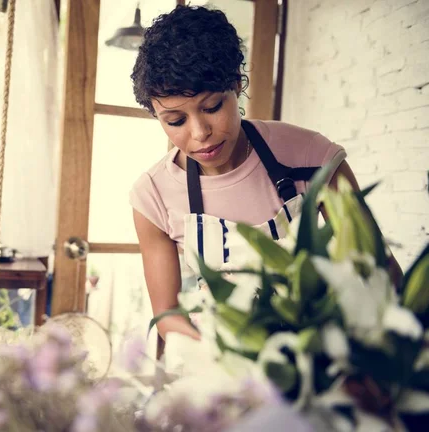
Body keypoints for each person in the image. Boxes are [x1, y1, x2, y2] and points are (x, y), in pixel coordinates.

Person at [129, 6, 402, 343]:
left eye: (212, 107)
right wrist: (239, 359)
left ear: (238, 84)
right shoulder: (152, 196)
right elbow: (168, 315)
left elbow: (380, 272)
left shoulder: (311, 156)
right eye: (175, 121)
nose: (200, 133)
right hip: (218, 367)